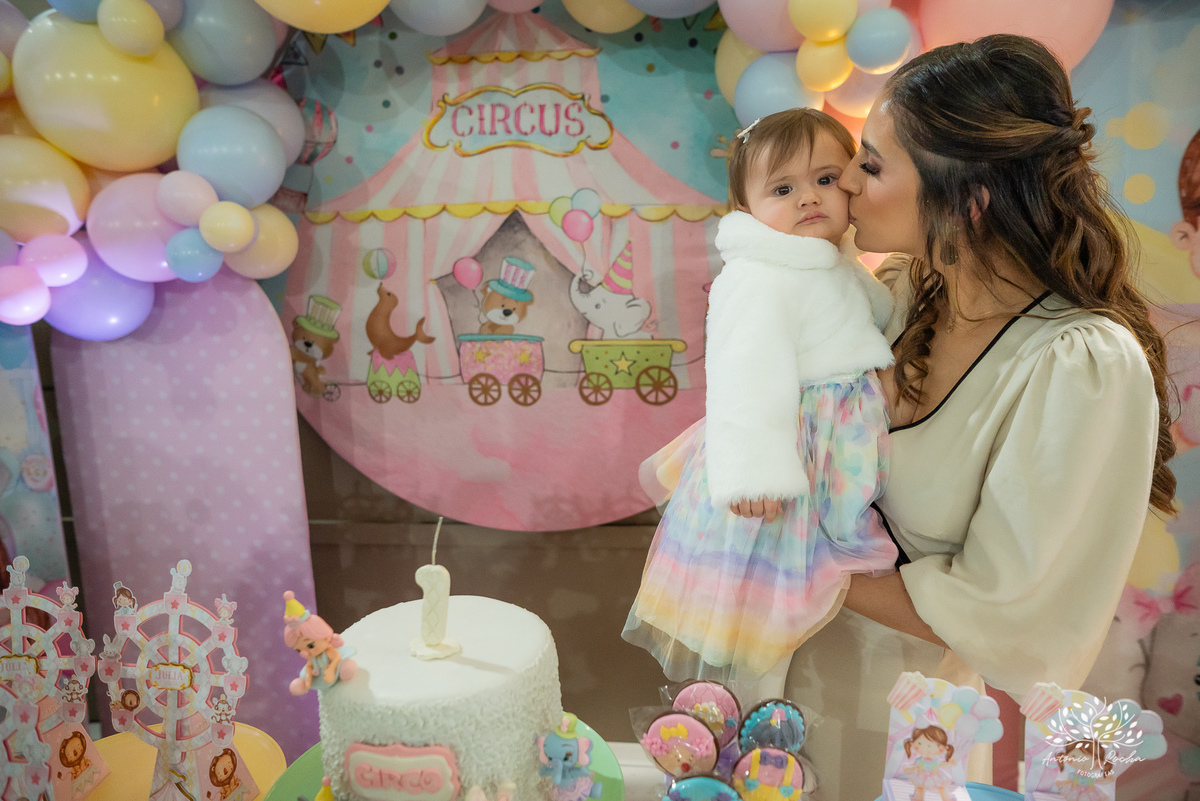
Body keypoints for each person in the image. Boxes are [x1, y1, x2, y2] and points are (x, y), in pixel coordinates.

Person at [782, 34, 1174, 800]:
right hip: (784, 680)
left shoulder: (1080, 364)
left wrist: (782, 547)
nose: (850, 187)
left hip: (902, 728)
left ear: (969, 199)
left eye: (873, 163)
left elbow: (1005, 613)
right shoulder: (897, 294)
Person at [622, 108, 900, 705]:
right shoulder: (757, 275)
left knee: (803, 585)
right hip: (785, 455)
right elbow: (743, 377)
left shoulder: (832, 262)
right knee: (762, 603)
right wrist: (753, 471)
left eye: (826, 179)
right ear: (748, 210)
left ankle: (772, 716)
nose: (808, 198)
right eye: (783, 188)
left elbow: (870, 319)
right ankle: (746, 722)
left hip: (831, 446)